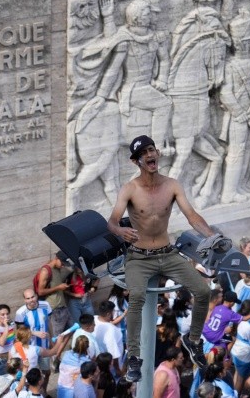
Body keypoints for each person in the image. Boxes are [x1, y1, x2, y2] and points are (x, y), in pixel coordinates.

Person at [107, 135, 215, 381]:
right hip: (139, 257)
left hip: (167, 253)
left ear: (157, 154)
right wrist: (120, 230)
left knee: (203, 290)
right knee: (135, 297)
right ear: (137, 161)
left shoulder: (172, 185)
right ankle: (133, 356)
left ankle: (193, 339)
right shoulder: (130, 189)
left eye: (152, 149)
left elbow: (192, 215)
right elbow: (112, 221)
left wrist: (211, 236)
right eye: (143, 153)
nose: (149, 154)